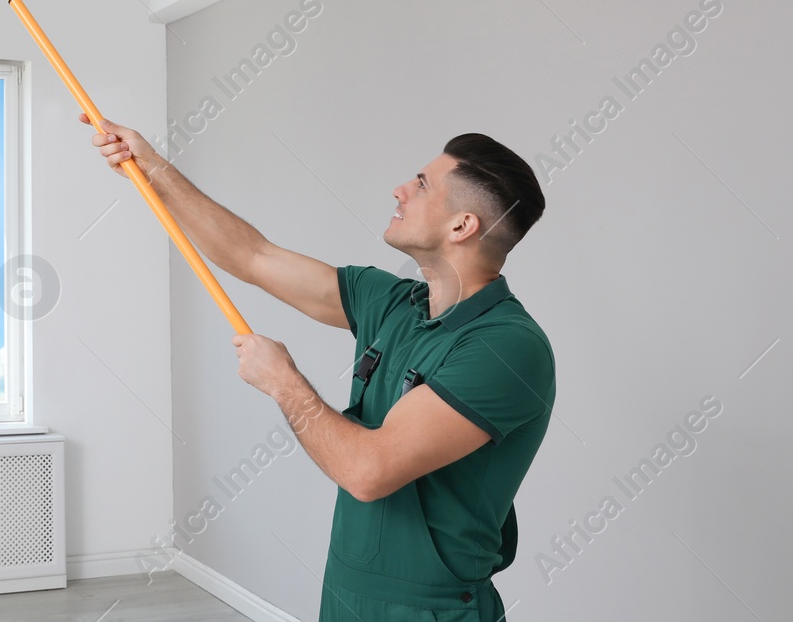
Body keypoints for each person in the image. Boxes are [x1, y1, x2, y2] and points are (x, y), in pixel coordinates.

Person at [81, 114, 555, 621]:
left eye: (421, 184)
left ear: (463, 225)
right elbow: (253, 255)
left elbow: (368, 472)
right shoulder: (393, 304)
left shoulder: (506, 347)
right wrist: (151, 166)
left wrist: (284, 383)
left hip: (431, 611)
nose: (399, 190)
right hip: (346, 594)